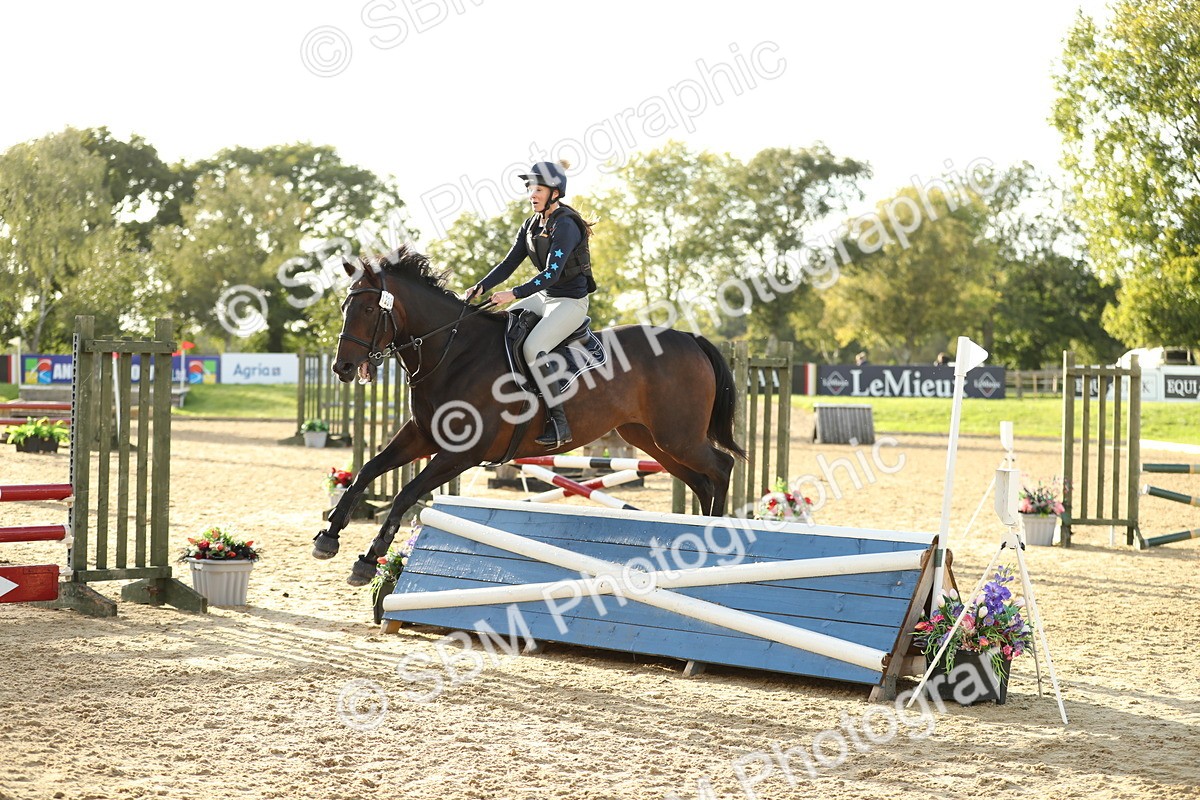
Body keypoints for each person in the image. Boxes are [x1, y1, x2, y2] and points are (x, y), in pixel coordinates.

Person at [466, 160, 596, 448]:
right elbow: (509, 262)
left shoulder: (566, 225)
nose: (532, 194)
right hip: (545, 298)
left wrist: (513, 294)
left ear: (555, 192)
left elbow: (553, 273)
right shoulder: (531, 224)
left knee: (532, 348)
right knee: (500, 328)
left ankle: (559, 423)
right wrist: (481, 286)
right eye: (530, 189)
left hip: (570, 302)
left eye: (538, 189)